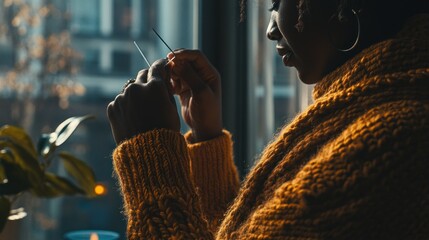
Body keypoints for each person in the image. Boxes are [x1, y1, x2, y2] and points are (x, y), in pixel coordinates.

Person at [107, 0, 429, 239]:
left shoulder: (392, 147)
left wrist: (150, 158)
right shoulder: (365, 107)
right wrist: (207, 141)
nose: (270, 28)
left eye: (277, 3)